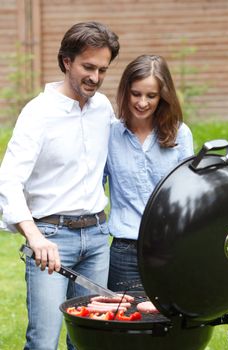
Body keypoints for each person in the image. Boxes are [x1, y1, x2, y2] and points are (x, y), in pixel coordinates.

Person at [0, 21, 120, 350]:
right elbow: (8, 179)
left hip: (96, 237)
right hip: (51, 240)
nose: (95, 78)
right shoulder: (38, 113)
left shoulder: (103, 108)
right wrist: (35, 237)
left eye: (102, 70)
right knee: (43, 342)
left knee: (89, 340)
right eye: (88, 67)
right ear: (67, 61)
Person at [104, 54, 194, 292]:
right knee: (126, 325)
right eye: (136, 94)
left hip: (170, 249)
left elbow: (189, 195)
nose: (142, 102)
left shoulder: (180, 134)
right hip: (125, 252)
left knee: (169, 326)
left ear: (162, 96)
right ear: (126, 91)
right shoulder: (110, 134)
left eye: (151, 96)